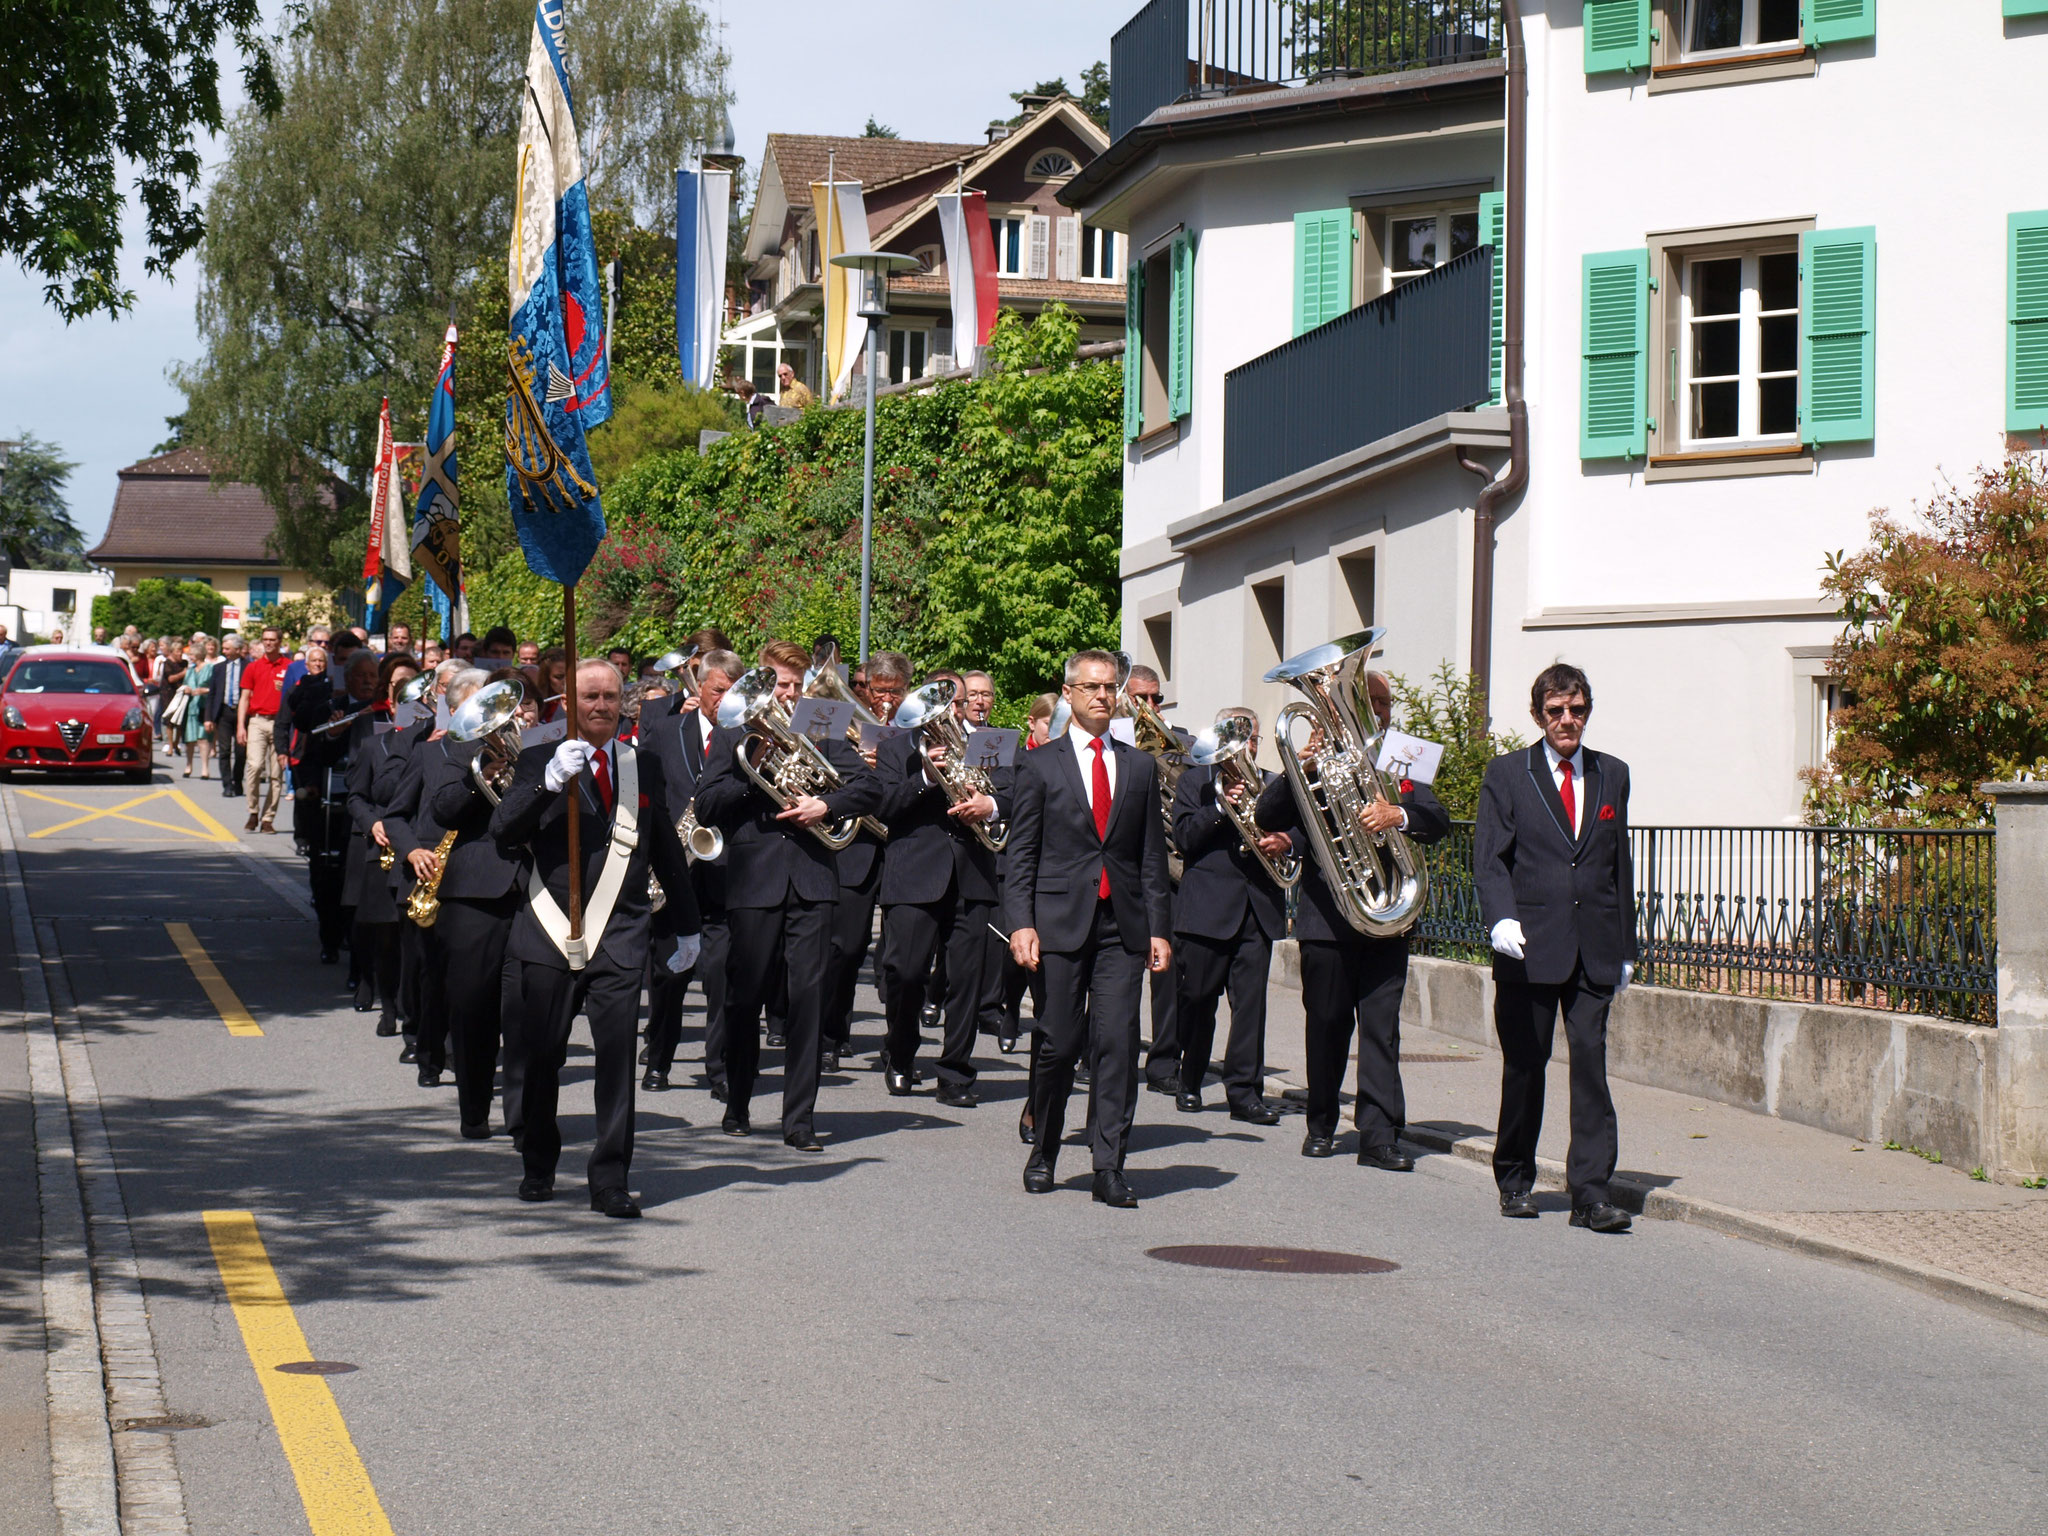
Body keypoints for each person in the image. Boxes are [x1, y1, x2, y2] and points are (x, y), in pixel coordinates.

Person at [488, 659, 701, 1216]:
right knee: (541, 1058)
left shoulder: (642, 765)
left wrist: (688, 924)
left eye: (610, 696)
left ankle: (609, 1178)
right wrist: (548, 782)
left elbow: (664, 849)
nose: (601, 706)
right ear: (569, 703)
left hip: (621, 933)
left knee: (616, 1063)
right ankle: (538, 1162)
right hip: (549, 932)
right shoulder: (539, 758)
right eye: (590, 697)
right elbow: (504, 833)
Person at [1255, 668, 1448, 1168]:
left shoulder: (1407, 751)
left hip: (1388, 914)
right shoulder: (1322, 755)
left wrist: (1397, 815)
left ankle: (1380, 1135)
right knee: (1327, 1023)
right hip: (1329, 919)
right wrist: (1300, 763)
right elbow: (1268, 817)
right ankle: (1320, 1122)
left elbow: (1437, 819)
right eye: (1365, 700)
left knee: (1381, 1030)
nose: (1375, 710)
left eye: (1380, 702)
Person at [694, 639, 881, 1150]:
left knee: (808, 1001)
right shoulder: (734, 729)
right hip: (754, 877)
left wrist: (826, 803)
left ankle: (799, 1118)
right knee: (744, 995)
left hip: (815, 878)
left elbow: (870, 788)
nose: (791, 694)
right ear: (761, 683)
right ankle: (737, 1100)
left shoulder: (821, 721)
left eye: (798, 686)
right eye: (781, 684)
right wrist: (754, 770)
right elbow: (707, 805)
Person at [1005, 649, 1173, 1208]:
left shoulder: (1140, 766)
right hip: (1056, 924)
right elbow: (1021, 854)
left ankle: (1109, 1165)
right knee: (1057, 1043)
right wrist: (1021, 924)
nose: (1102, 696)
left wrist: (1159, 929)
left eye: (1110, 688)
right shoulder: (1038, 764)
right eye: (1092, 687)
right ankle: (1045, 1150)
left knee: (1117, 1044)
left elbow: (1150, 857)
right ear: (1070, 692)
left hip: (1120, 927)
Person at [1476, 663, 1637, 1234]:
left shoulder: (1612, 773)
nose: (1567, 721)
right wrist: (1499, 919)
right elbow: (1491, 857)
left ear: (1587, 711)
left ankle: (1590, 1195)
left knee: (1590, 1067)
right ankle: (1515, 1178)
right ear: (1538, 715)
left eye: (1576, 710)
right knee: (1526, 1066)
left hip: (1593, 946)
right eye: (1555, 711)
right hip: (1528, 945)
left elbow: (1618, 864)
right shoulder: (1508, 774)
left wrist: (1626, 946)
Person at [876, 668, 1008, 1106]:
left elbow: (1019, 792)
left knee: (966, 981)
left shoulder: (991, 745)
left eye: (957, 701)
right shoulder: (896, 749)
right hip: (914, 874)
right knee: (906, 973)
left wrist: (990, 804)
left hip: (971, 872)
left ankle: (955, 1073)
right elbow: (885, 806)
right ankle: (900, 1052)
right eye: (944, 702)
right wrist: (929, 777)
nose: (952, 711)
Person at [1171, 707, 1295, 1124]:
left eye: (1252, 738)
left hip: (1256, 908)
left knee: (1250, 1008)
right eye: (1238, 737)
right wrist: (1222, 808)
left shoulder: (1274, 784)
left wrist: (1285, 840)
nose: (1247, 746)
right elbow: (1185, 838)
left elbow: (1299, 828)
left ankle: (1245, 1093)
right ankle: (1189, 1078)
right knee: (1198, 1000)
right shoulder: (1194, 782)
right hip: (1206, 909)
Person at [637, 648, 741, 1093]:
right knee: (668, 975)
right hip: (674, 868)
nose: (725, 700)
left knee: (722, 978)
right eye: (718, 691)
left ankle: (719, 1071)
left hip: (726, 870)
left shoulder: (749, 736)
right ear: (699, 688)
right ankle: (658, 1059)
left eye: (734, 692)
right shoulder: (665, 729)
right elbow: (646, 793)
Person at [823, 650, 906, 1068]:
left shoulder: (918, 725)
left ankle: (898, 1046)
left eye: (894, 691)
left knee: (900, 959)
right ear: (865, 687)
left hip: (903, 848)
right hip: (856, 845)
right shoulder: (842, 720)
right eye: (878, 691)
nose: (885, 700)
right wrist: (859, 766)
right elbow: (819, 770)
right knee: (846, 946)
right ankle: (832, 1033)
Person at [342, 653, 417, 1037]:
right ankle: (388, 1005)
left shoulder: (429, 745)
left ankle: (410, 1009)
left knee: (412, 939)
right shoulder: (374, 745)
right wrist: (373, 824)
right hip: (382, 847)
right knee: (385, 936)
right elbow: (355, 796)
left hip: (418, 848)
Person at [1124, 662, 1186, 1098]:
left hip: (1169, 877)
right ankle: (1102, 1053)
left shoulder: (1179, 743)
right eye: (1140, 697)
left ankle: (1164, 1062)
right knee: (1115, 975)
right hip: (1121, 875)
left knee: (1169, 974)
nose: (1149, 706)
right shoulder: (1109, 742)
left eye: (1156, 698)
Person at [239, 626, 291, 832]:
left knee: (276, 773)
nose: (268, 643)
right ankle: (253, 811)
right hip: (258, 721)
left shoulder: (289, 666)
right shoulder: (253, 667)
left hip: (280, 723)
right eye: (265, 640)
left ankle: (268, 818)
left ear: (279, 642)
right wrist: (240, 726)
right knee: (254, 766)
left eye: (272, 640)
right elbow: (244, 698)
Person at [206, 634, 247, 795]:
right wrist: (209, 718)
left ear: (237, 649)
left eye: (227, 649)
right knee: (224, 751)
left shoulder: (248, 666)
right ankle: (227, 784)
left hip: (242, 714)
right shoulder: (218, 668)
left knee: (241, 752)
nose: (224, 651)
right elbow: (212, 694)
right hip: (223, 713)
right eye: (223, 648)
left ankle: (237, 781)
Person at [178, 636, 219, 778]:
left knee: (203, 738)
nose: (190, 657)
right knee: (189, 739)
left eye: (192, 655)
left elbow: (215, 688)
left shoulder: (210, 668)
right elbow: (184, 684)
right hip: (190, 707)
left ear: (199, 654)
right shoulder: (190, 670)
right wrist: (186, 689)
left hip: (204, 706)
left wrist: (203, 690)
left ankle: (205, 768)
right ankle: (188, 765)